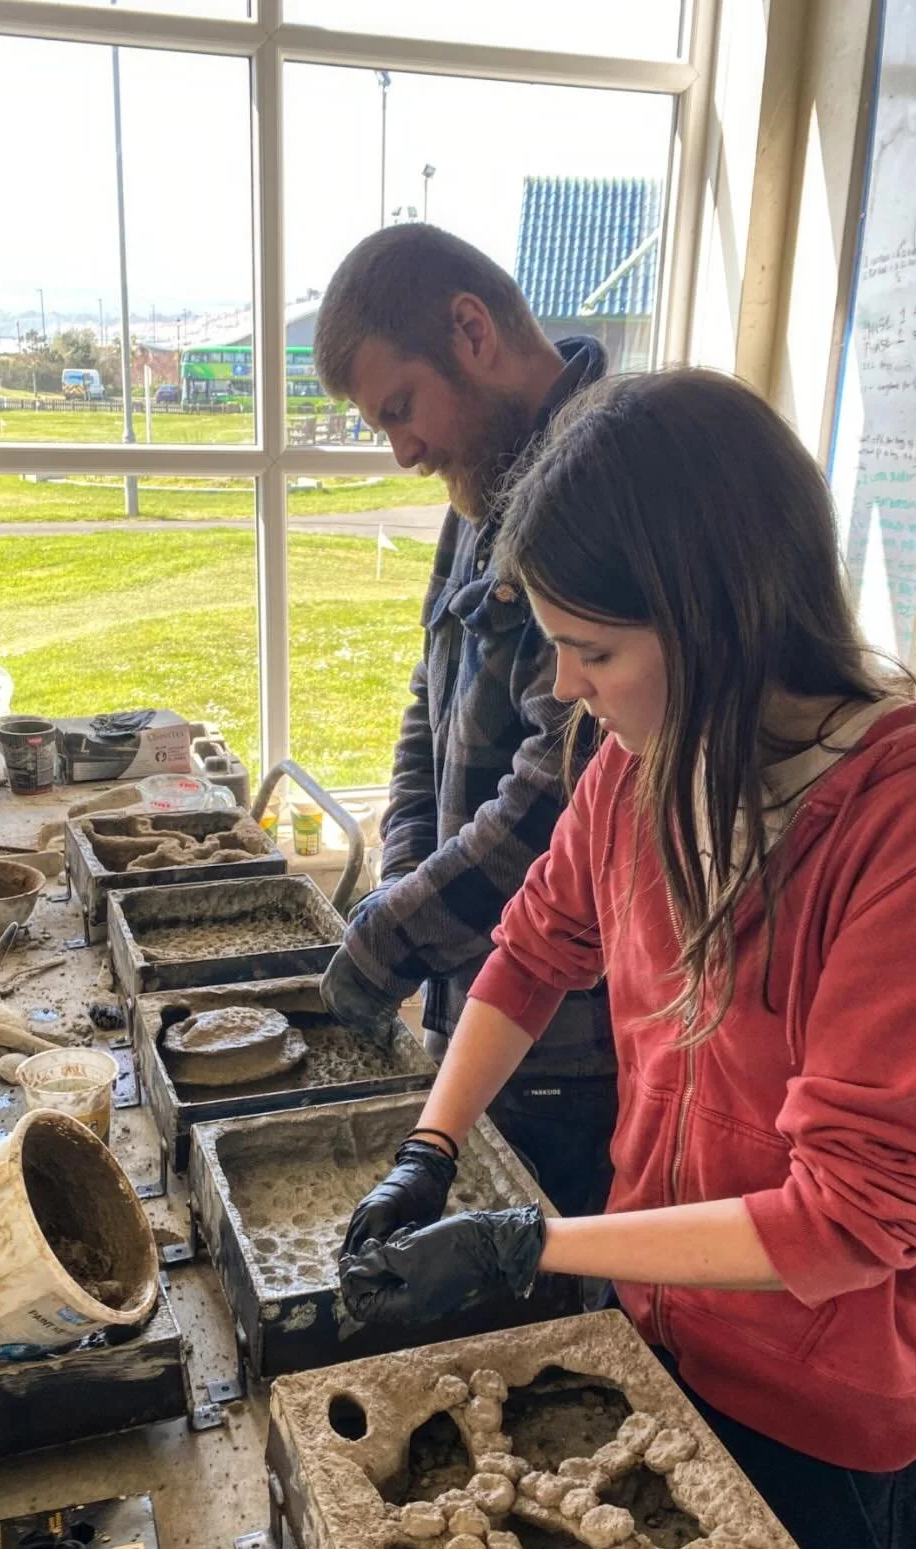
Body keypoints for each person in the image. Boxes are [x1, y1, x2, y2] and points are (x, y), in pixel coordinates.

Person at [336, 369, 916, 1549]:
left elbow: (842, 1224)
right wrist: (431, 1139)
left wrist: (538, 1244)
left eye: (593, 650)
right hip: (664, 1363)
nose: (567, 685)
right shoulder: (651, 763)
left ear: (723, 617)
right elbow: (534, 952)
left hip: (836, 1421)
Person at [311, 224, 619, 1218]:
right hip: (473, 990)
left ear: (471, 329)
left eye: (401, 407)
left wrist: (393, 936)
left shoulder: (613, 482)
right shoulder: (479, 480)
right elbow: (424, 700)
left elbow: (560, 787)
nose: (402, 450)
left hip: (574, 1045)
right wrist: (404, 882)